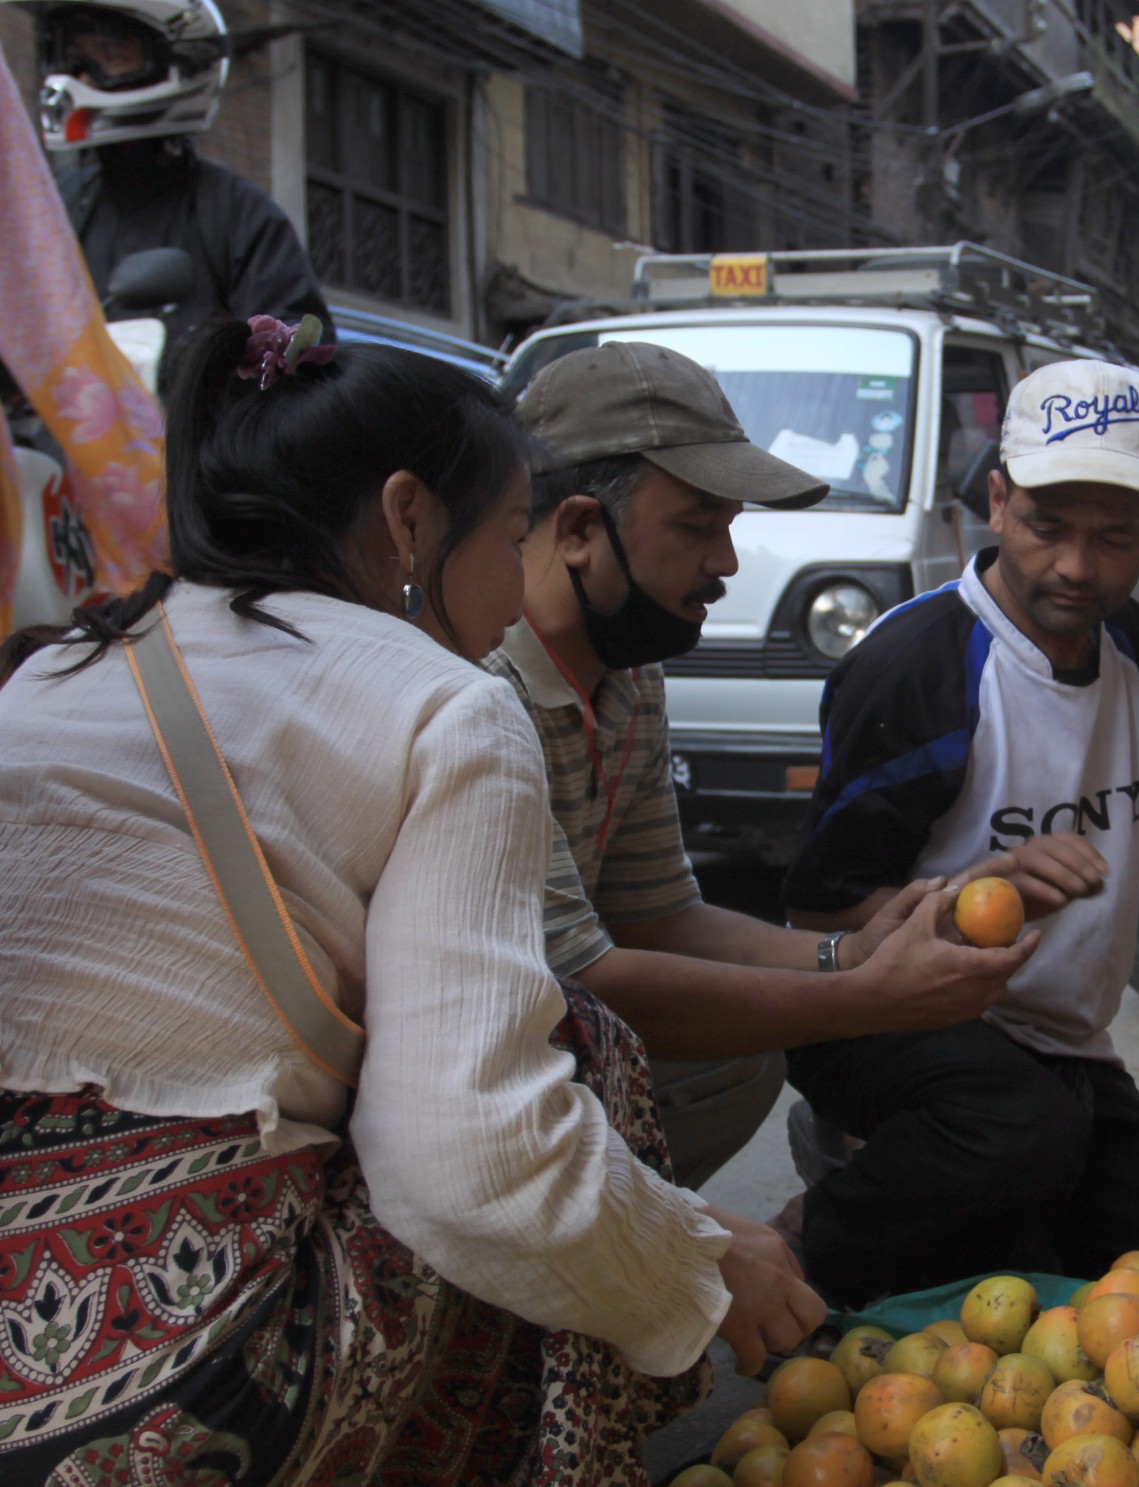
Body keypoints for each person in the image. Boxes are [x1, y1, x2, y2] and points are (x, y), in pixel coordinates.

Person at [0, 317, 825, 1481]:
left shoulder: (63, 665)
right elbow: (472, 1164)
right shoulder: (450, 704)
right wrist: (692, 1258)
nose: (508, 587)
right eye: (504, 533)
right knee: (577, 1048)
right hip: (159, 1389)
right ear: (406, 517)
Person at [780, 361, 1139, 1306]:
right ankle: (803, 1243)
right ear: (998, 504)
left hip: (1054, 1048)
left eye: (1114, 538)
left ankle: (979, 1178)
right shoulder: (917, 667)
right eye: (1049, 527)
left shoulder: (1126, 644)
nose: (1077, 567)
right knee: (1021, 1138)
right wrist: (975, 903)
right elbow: (819, 911)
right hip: (885, 1014)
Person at [487, 340, 1035, 1191]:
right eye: (697, 526)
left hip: (551, 1034)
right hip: (463, 1074)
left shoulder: (630, 678)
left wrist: (846, 956)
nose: (726, 563)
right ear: (580, 530)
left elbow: (661, 916)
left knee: (743, 1055)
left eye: (730, 527)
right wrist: (870, 999)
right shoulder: (481, 693)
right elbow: (583, 978)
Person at [9, 0, 331, 358]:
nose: (79, 78)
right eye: (73, 58)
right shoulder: (57, 203)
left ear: (179, 60)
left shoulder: (239, 215)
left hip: (191, 413)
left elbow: (300, 368)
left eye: (110, 54)